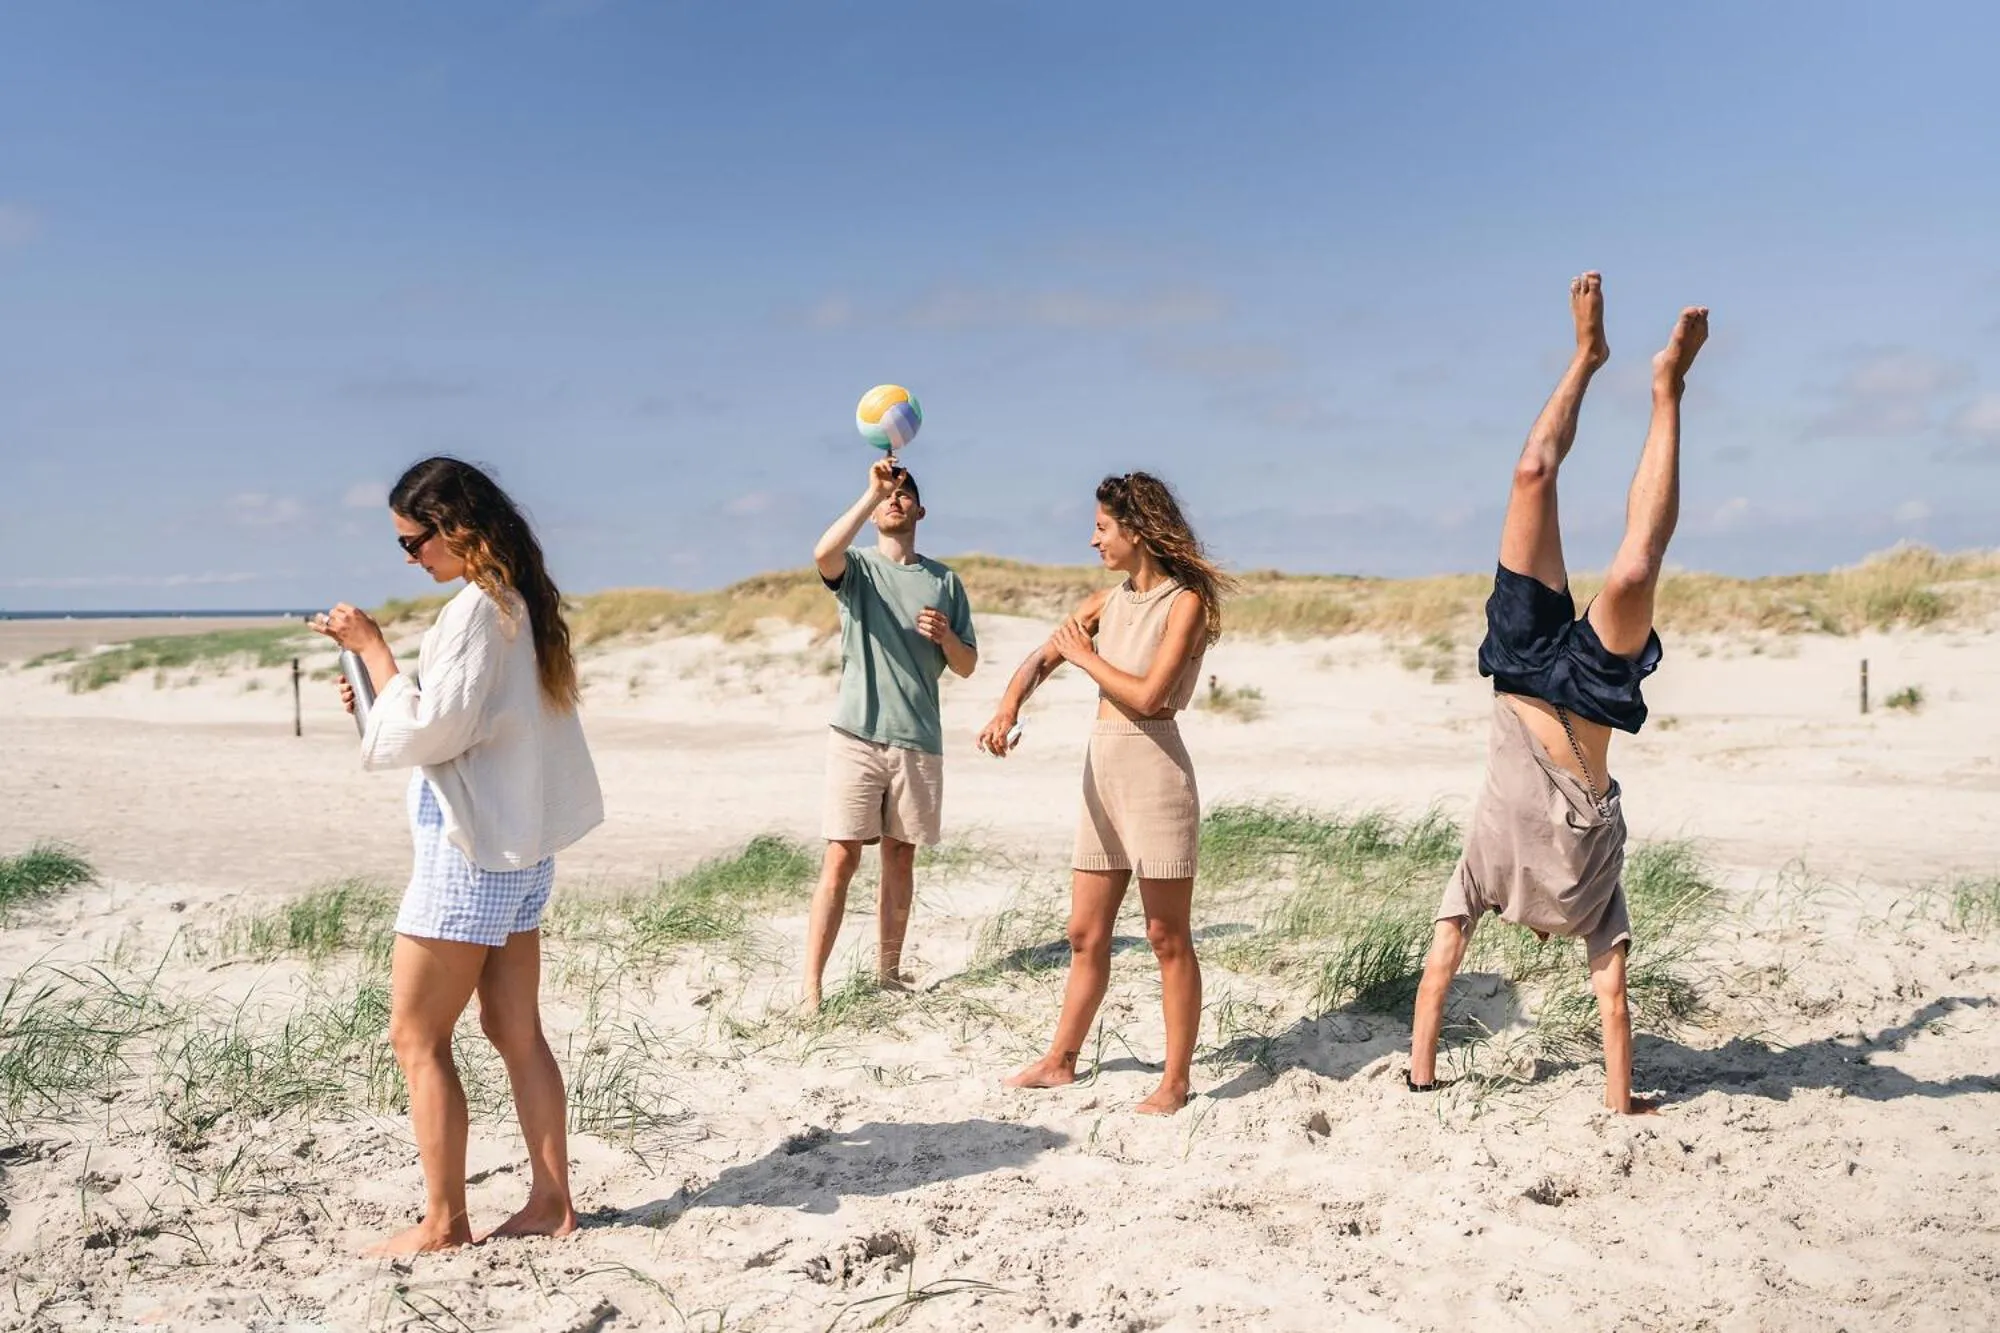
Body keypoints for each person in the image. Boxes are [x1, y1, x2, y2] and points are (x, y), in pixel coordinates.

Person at [1406, 273, 1708, 1114]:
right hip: (1593, 705)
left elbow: (1435, 978)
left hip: (1520, 666)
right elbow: (1612, 1005)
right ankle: (1667, 390)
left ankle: (1585, 355)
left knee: (1531, 471)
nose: (1540, 929)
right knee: (1637, 565)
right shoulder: (1594, 904)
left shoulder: (1481, 876)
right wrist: (1622, 1103)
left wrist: (1420, 1076)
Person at [313, 456, 603, 1253]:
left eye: (414, 542)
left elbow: (436, 734)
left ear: (457, 527)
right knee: (517, 1030)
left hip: (470, 849)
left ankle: (445, 1221)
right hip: (517, 847)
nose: (410, 558)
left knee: (416, 1037)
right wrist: (380, 699)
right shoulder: (520, 602)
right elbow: (457, 726)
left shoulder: (481, 608)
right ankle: (551, 1202)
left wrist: (375, 653)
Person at [979, 471, 1233, 1115]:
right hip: (1102, 774)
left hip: (1156, 774)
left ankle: (1175, 1083)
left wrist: (1084, 657)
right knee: (1085, 933)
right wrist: (1007, 707)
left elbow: (1149, 696)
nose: (1093, 540)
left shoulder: (1184, 604)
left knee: (1164, 934)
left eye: (1101, 528)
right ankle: (1060, 1061)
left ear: (1137, 531)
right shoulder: (1104, 602)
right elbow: (1042, 657)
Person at [804, 457, 977, 1009]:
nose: (894, 500)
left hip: (918, 735)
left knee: (901, 856)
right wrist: (869, 491)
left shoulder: (945, 580)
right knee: (841, 857)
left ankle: (888, 973)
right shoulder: (856, 568)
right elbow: (822, 554)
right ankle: (811, 985)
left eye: (904, 494)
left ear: (921, 510)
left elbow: (969, 665)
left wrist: (947, 637)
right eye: (887, 496)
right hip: (856, 733)